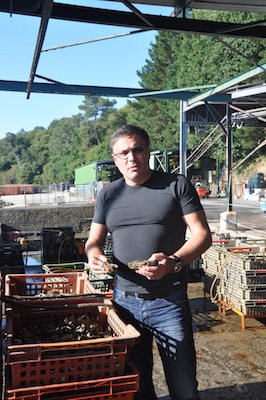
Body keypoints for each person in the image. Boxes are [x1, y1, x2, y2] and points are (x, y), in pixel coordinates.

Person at [85, 124, 212, 400]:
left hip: (169, 301)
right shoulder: (108, 195)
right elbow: (93, 241)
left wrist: (174, 261)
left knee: (184, 387)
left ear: (148, 151)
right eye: (123, 153)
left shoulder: (176, 185)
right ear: (115, 160)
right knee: (137, 385)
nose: (131, 157)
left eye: (137, 149)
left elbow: (202, 236)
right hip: (125, 303)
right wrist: (94, 255)